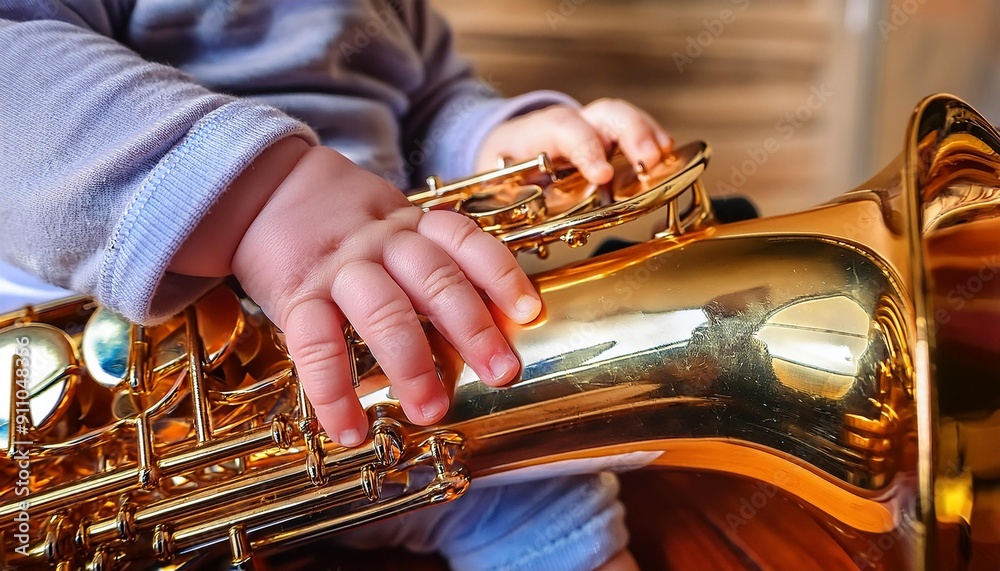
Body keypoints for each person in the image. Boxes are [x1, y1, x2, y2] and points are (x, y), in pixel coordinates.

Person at [0, 1, 671, 569]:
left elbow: (424, 104)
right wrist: (265, 200)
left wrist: (494, 141)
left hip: (388, 381)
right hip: (110, 420)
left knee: (544, 486)